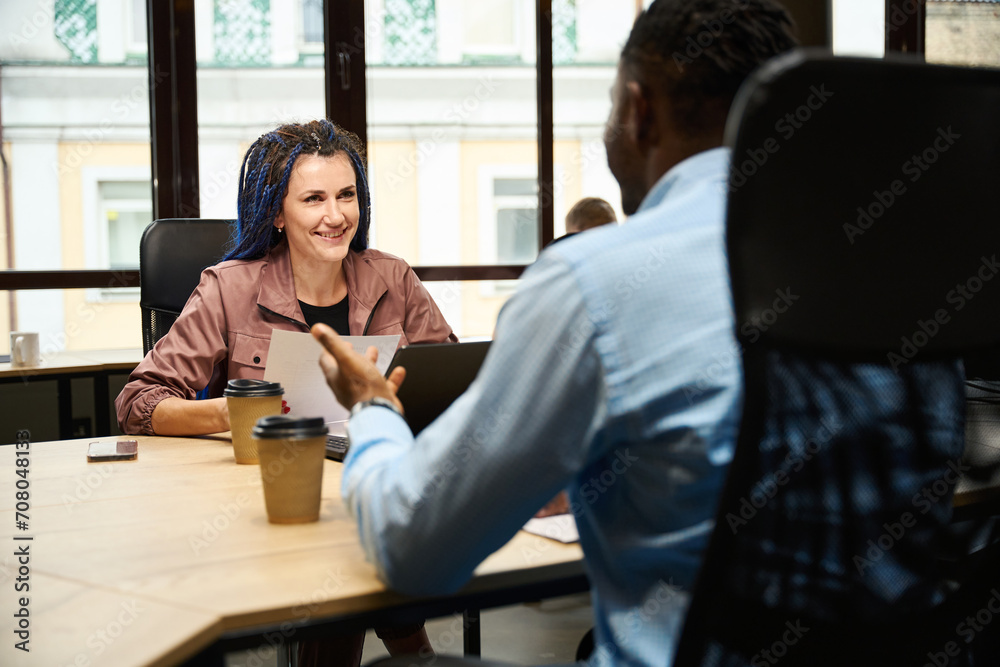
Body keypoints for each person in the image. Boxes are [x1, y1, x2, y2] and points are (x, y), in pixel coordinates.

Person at [310, 2, 798, 665]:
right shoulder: (887, 265)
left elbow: (412, 547)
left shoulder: (597, 282)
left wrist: (372, 409)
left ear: (638, 109)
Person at [114, 119, 451, 664]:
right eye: (313, 199)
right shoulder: (229, 288)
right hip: (280, 493)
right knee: (342, 559)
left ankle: (411, 651)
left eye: (347, 196)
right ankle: (414, 652)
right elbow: (139, 401)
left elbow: (450, 380)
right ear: (276, 212)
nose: (335, 216)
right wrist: (233, 412)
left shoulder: (395, 279)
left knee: (369, 538)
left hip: (376, 471)